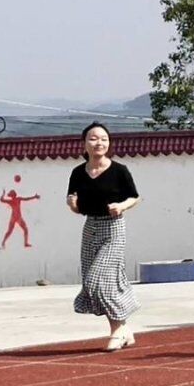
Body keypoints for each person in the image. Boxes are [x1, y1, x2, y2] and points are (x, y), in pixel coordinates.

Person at [67, 122, 141, 352]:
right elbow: (76, 205)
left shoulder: (119, 170)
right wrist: (73, 205)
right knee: (95, 280)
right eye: (93, 138)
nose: (99, 143)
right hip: (91, 227)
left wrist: (121, 206)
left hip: (114, 228)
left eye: (103, 139)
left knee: (98, 279)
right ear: (84, 143)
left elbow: (135, 197)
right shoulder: (78, 172)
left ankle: (118, 330)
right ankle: (122, 329)